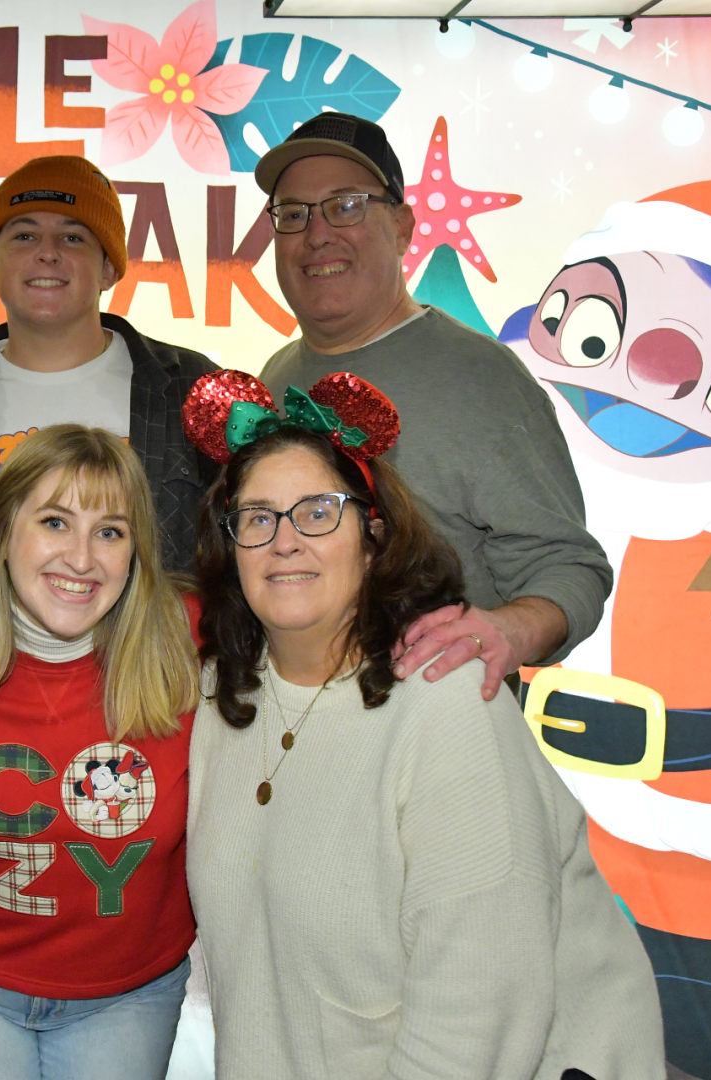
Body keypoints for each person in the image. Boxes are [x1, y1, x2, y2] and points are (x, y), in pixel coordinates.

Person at [182, 371, 665, 1079]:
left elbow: (478, 1011)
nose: (285, 541)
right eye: (258, 518)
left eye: (319, 512)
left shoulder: (446, 699)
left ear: (373, 536)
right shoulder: (219, 696)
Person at [253, 112, 612, 700]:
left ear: (402, 228)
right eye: (293, 214)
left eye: (346, 206)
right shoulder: (276, 377)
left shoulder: (483, 379)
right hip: (292, 724)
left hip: (439, 728)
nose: (317, 234)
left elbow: (570, 568)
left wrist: (509, 629)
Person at [0, 425, 201, 1080]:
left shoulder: (190, 638)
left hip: (127, 996)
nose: (82, 558)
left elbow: (327, 613)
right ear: (1, 528)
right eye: (55, 522)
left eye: (110, 531)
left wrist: (442, 620)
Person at [0, 155, 219, 573]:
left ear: (108, 269)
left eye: (72, 238)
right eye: (24, 236)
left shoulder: (192, 388)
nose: (47, 253)